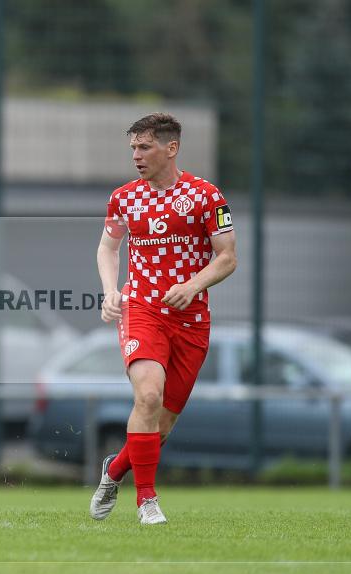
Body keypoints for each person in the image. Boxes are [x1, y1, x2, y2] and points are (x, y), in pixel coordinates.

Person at [90, 113, 237, 525]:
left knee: (164, 423)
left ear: (171, 148)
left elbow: (227, 257)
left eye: (145, 147)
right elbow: (107, 249)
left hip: (190, 319)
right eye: (133, 148)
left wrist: (192, 286)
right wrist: (110, 291)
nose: (136, 156)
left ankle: (115, 470)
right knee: (148, 397)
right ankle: (147, 501)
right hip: (142, 309)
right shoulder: (124, 199)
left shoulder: (206, 195)